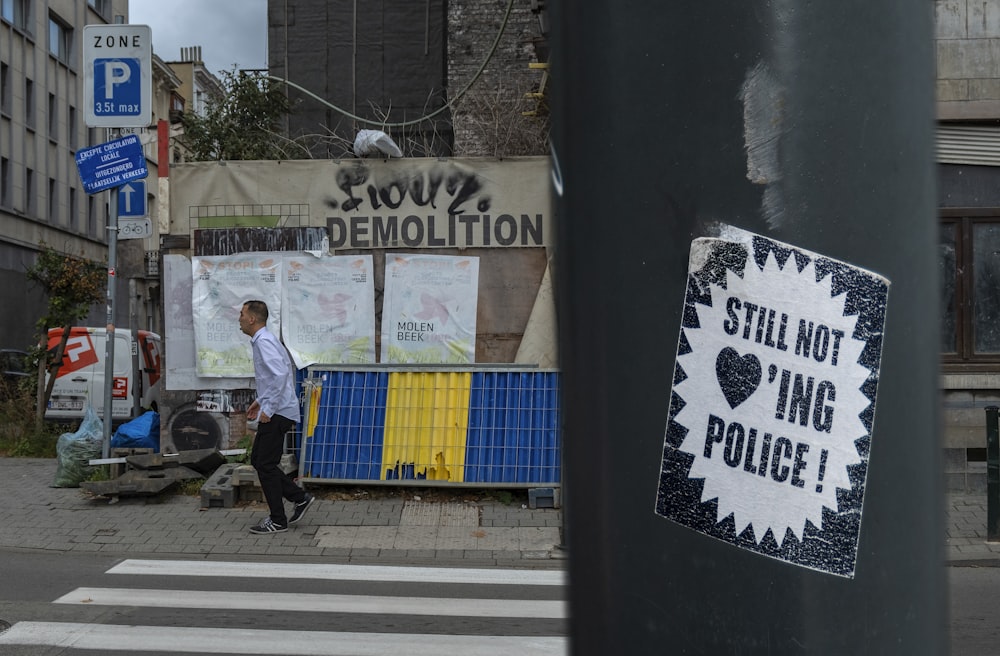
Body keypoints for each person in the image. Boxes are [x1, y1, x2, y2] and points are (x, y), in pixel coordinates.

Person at [238, 300, 314, 534]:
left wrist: (268, 410)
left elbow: (280, 375)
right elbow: (275, 377)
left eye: (241, 314)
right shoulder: (265, 340)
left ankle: (278, 520)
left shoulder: (264, 342)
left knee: (264, 464)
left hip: (278, 412)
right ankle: (299, 498)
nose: (238, 319)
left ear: (252, 318)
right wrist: (259, 402)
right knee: (261, 461)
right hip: (278, 409)